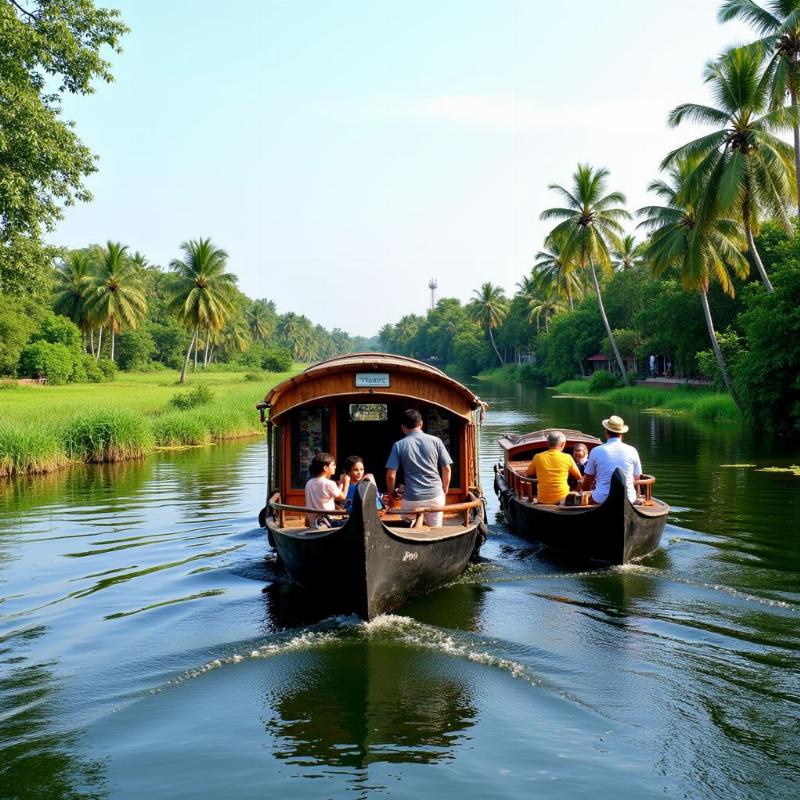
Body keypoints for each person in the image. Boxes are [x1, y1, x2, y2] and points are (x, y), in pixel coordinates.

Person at [385, 408, 452, 528]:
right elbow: (446, 469)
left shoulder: (398, 445)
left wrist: (391, 494)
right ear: (421, 424)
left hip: (412, 498)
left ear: (403, 427)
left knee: (407, 525)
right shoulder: (436, 441)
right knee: (435, 529)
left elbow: (391, 475)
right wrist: (444, 489)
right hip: (435, 496)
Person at [581, 415, 642, 505]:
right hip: (629, 498)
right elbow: (637, 477)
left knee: (584, 499)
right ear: (622, 434)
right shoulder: (632, 450)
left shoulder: (596, 451)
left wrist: (584, 490)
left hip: (601, 498)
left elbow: (589, 479)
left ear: (606, 432)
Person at [525, 430, 582, 505]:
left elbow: (529, 473)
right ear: (563, 444)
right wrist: (577, 491)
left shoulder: (538, 457)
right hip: (563, 500)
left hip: (543, 500)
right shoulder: (567, 457)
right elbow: (579, 478)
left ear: (548, 443)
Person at [304, 452, 349, 527]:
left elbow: (333, 495)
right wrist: (346, 482)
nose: (335, 467)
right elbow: (343, 497)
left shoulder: (309, 483)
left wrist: (341, 483)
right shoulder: (329, 483)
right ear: (325, 468)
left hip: (313, 522)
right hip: (328, 522)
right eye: (333, 465)